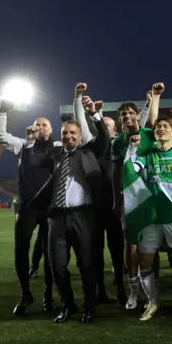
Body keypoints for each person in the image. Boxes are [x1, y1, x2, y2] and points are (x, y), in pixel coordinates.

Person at [30, 96, 109, 323]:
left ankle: (89, 308)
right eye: (65, 133)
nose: (69, 136)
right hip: (57, 218)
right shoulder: (54, 156)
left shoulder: (89, 152)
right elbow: (32, 162)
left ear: (80, 136)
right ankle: (68, 306)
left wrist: (95, 115)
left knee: (86, 265)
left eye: (73, 133)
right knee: (57, 267)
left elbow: (103, 140)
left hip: (83, 216)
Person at [127, 117, 172, 322]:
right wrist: (132, 150)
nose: (160, 129)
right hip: (151, 215)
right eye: (158, 127)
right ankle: (153, 301)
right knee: (145, 260)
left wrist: (166, 182)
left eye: (165, 127)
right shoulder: (147, 155)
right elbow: (134, 169)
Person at [0, 99, 61, 315]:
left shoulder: (58, 147)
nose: (40, 127)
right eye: (37, 124)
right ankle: (25, 293)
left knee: (50, 253)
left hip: (50, 208)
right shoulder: (23, 145)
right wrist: (2, 112)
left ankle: (49, 292)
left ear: (51, 130)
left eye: (44, 125)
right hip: (27, 207)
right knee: (20, 250)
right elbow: (0, 136)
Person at [73, 82, 127, 305]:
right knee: (95, 251)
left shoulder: (115, 147)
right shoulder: (89, 147)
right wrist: (78, 99)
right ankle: (100, 290)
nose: (105, 127)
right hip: (92, 209)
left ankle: (121, 286)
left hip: (113, 207)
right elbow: (81, 124)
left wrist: (96, 114)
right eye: (102, 124)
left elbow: (104, 135)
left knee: (117, 249)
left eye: (108, 125)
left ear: (113, 129)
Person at [110, 87, 161, 310]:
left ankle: (152, 285)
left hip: (151, 197)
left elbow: (155, 120)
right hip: (129, 199)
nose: (127, 116)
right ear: (120, 119)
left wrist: (155, 99)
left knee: (151, 243)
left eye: (131, 113)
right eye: (123, 114)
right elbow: (115, 172)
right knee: (130, 245)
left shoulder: (149, 135)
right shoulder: (117, 142)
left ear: (137, 114)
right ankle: (133, 290)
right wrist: (116, 198)